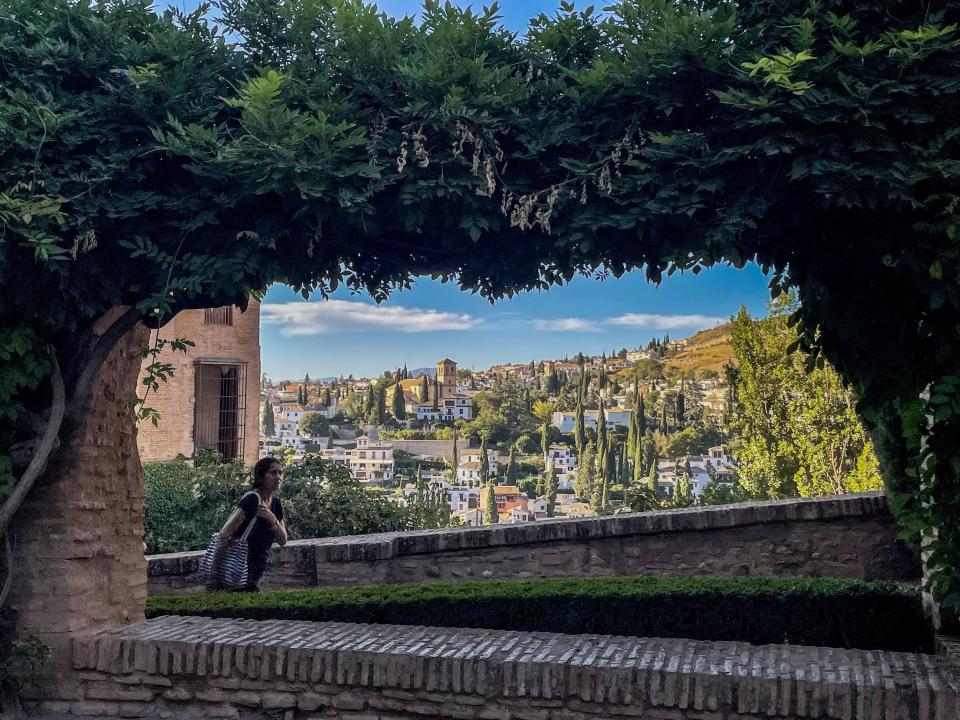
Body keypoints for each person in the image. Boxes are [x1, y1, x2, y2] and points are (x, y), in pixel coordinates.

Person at [210, 456, 288, 592]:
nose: (278, 477)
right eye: (273, 473)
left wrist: (272, 518)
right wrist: (215, 574)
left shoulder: (275, 504)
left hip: (257, 569)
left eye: (280, 473)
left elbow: (283, 540)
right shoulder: (252, 500)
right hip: (239, 568)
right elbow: (225, 533)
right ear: (261, 476)